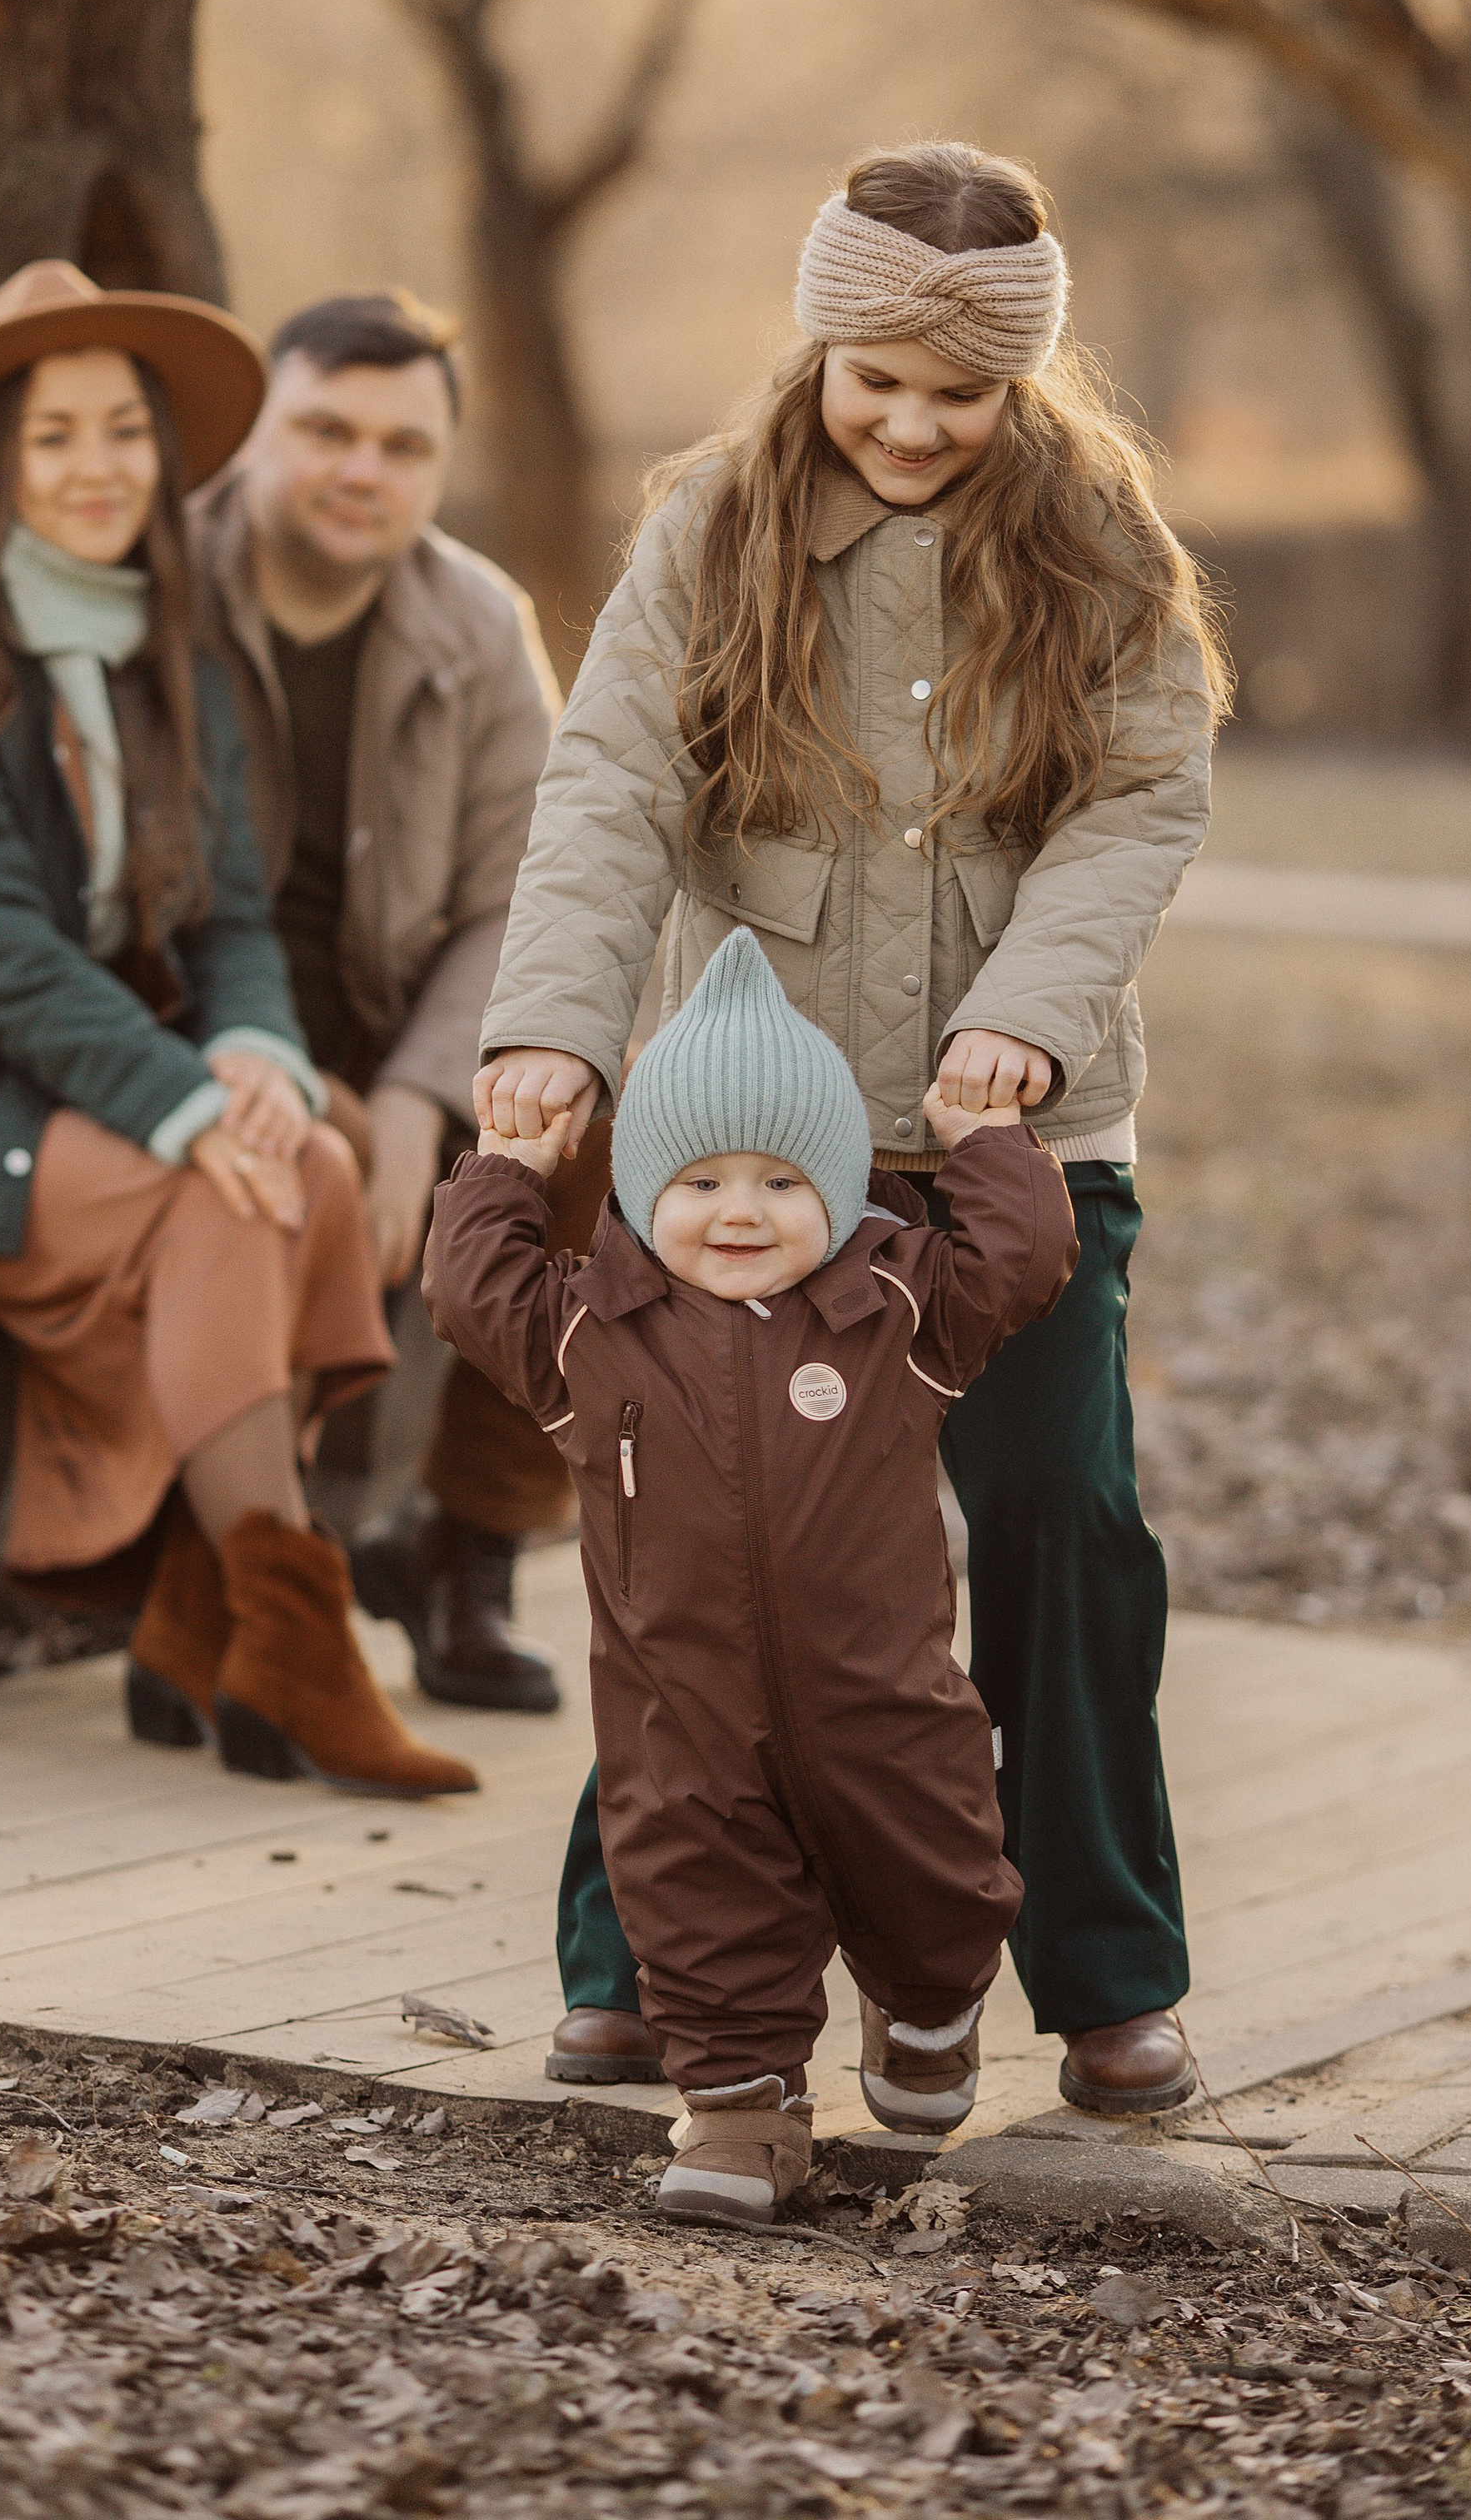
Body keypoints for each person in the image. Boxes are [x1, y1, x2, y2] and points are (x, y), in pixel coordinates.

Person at [476, 139, 1227, 2116]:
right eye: (873, 378)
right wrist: (553, 1031)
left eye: (957, 393)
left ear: (1020, 384)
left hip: (1009, 1143)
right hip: (754, 1146)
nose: (906, 423)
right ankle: (637, 1958)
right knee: (696, 1543)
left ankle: (1104, 1973)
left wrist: (1022, 1021)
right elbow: (611, 781)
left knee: (1060, 1520)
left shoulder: (1096, 543)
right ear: (817, 343)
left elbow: (1139, 798)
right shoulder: (711, 525)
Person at [0, 284, 583, 1726]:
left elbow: (525, 893)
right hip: (153, 1023)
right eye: (325, 431)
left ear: (442, 465)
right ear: (249, 447)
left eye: (402, 447)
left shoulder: (471, 623)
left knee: (582, 1109)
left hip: (343, 1021)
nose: (360, 471)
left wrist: (420, 1100)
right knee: (274, 1179)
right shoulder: (152, 547)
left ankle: (465, 1550)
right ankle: (245, 1604)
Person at [430, 930, 1078, 2228]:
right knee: (698, 1898)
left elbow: (1022, 1260)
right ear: (639, 1192)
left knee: (938, 1870)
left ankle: (927, 2007)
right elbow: (469, 1288)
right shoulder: (588, 1328)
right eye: (701, 1180)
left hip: (883, 1705)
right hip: (684, 1719)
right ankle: (740, 2112)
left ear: (836, 1191)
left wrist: (986, 1142)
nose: (740, 1211)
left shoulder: (896, 1308)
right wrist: (507, 1165)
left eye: (783, 1181)